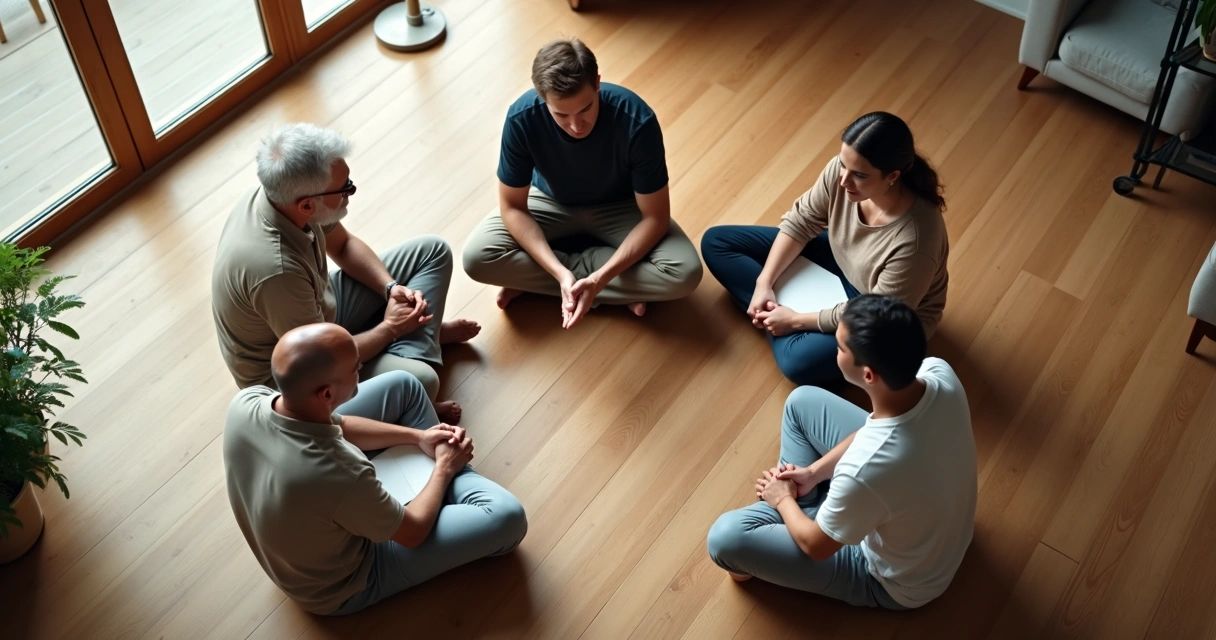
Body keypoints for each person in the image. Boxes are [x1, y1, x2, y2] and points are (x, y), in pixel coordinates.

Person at [223, 323, 528, 615]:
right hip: (344, 585)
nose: (361, 366)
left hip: (299, 539)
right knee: (507, 517)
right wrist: (445, 468)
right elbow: (411, 532)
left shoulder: (247, 401)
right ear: (327, 394)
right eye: (356, 367)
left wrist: (418, 436)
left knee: (404, 384)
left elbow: (337, 425)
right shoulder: (341, 470)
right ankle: (456, 473)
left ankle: (442, 460)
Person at [706, 295, 975, 610]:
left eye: (841, 347)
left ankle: (799, 512)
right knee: (801, 401)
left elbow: (817, 547)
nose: (835, 349)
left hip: (895, 582)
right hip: (940, 533)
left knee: (725, 540)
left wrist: (782, 498)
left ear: (868, 375)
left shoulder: (864, 470)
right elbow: (875, 429)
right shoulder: (938, 373)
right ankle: (811, 501)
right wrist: (813, 472)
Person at [212, 123, 479, 423]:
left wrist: (390, 288)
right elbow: (322, 362)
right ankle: (415, 354)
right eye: (345, 188)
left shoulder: (283, 196)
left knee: (432, 251)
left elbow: (344, 245)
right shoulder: (276, 271)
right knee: (422, 380)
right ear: (308, 205)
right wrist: (390, 328)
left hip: (315, 311)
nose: (351, 192)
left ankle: (413, 345)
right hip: (298, 380)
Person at [461, 37, 702, 329]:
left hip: (620, 205)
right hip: (550, 201)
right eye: (561, 114)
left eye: (586, 109)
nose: (577, 126)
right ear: (541, 97)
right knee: (477, 257)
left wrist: (600, 279)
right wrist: (561, 274)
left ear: (597, 83)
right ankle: (605, 285)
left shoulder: (637, 120)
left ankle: (545, 283)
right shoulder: (521, 117)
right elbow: (512, 207)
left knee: (685, 273)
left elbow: (655, 217)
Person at [701, 112, 949, 386]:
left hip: (884, 319)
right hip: (842, 260)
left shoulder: (916, 241)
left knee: (797, 363)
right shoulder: (842, 173)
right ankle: (774, 317)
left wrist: (797, 320)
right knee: (717, 243)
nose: (843, 181)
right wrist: (764, 282)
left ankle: (773, 321)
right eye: (843, 164)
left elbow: (879, 314)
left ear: (892, 176)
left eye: (859, 175)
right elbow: (802, 220)